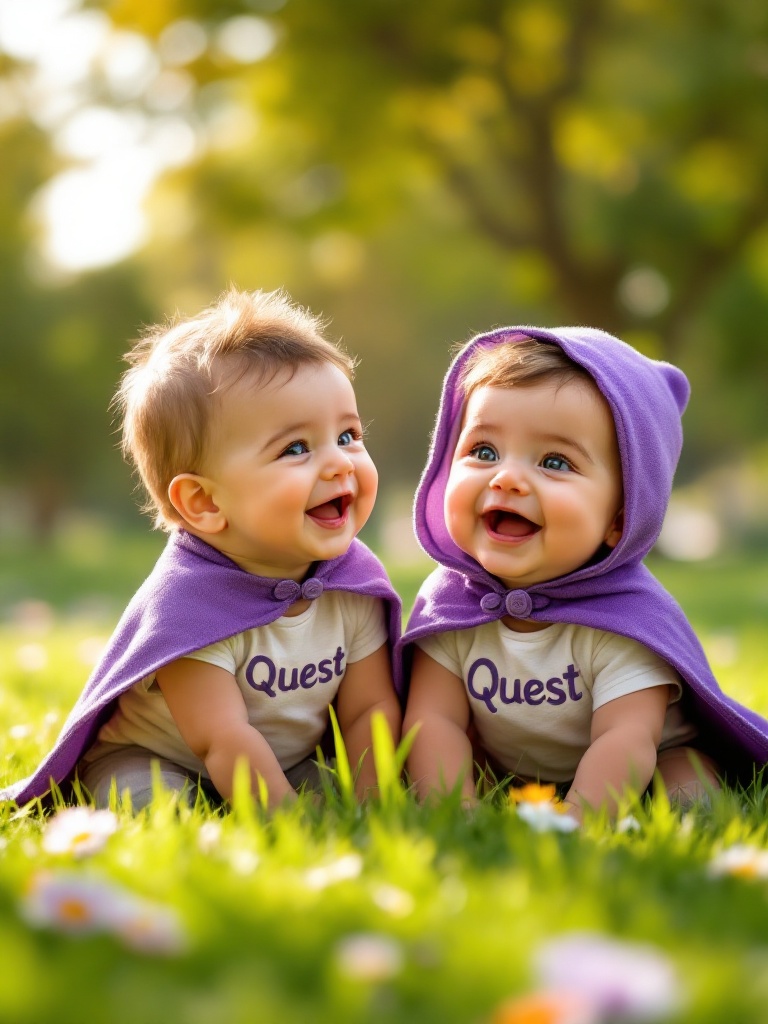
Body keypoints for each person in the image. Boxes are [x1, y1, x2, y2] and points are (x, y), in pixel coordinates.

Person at [2, 288, 402, 811]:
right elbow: (223, 737)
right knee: (151, 802)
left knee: (329, 784)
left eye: (348, 435)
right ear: (204, 501)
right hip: (156, 757)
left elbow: (367, 709)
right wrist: (291, 826)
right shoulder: (188, 605)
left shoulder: (352, 582)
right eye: (296, 448)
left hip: (281, 758)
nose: (339, 464)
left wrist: (372, 805)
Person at [400, 326, 768, 819]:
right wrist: (455, 811)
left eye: (554, 461)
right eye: (484, 451)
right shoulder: (451, 602)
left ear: (620, 519)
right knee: (468, 764)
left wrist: (574, 824)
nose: (506, 477)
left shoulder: (625, 621)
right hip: (520, 765)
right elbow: (434, 719)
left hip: (651, 755)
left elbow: (626, 738)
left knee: (686, 784)